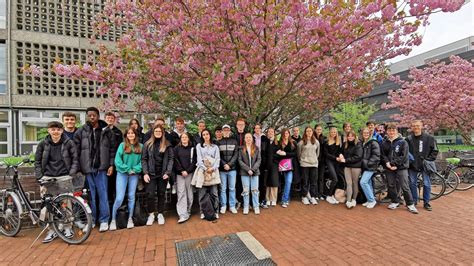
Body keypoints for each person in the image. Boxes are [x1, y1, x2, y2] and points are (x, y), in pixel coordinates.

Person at [35, 121, 79, 243]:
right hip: (47, 177)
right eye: (53, 129)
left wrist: (71, 174)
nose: (55, 132)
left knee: (66, 203)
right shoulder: (43, 144)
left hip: (64, 176)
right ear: (49, 130)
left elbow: (75, 159)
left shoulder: (69, 143)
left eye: (58, 129)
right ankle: (52, 230)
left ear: (61, 131)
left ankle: (67, 228)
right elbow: (37, 161)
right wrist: (39, 176)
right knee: (48, 205)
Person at [74, 107, 116, 232]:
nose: (92, 117)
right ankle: (92, 220)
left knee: (103, 195)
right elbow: (76, 151)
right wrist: (79, 167)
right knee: (91, 196)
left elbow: (112, 150)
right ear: (87, 116)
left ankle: (104, 220)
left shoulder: (107, 131)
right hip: (88, 169)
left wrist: (111, 165)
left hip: (102, 168)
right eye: (90, 115)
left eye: (94, 115)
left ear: (98, 116)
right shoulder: (81, 131)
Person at [109, 127, 143, 231]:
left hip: (134, 174)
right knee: (119, 198)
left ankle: (130, 219)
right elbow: (117, 161)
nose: (131, 135)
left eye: (132, 133)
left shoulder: (140, 146)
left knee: (132, 196)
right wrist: (128, 169)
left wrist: (135, 169)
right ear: (126, 135)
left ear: (136, 135)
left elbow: (143, 161)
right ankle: (113, 220)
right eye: (129, 133)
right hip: (122, 174)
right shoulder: (122, 145)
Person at [381, 123, 418, 214]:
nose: (391, 132)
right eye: (389, 130)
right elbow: (383, 155)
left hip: (401, 167)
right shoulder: (384, 142)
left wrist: (394, 164)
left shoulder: (403, 142)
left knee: (405, 186)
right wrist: (387, 163)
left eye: (393, 130)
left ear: (396, 131)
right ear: (387, 132)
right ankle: (395, 201)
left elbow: (404, 156)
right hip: (389, 168)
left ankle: (410, 204)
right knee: (391, 185)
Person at [141, 125, 174, 225]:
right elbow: (144, 159)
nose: (158, 133)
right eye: (156, 131)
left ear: (162, 133)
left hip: (162, 174)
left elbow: (171, 159)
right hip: (151, 174)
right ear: (153, 132)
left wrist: (168, 172)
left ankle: (160, 213)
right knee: (150, 194)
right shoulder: (147, 144)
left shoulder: (167, 144)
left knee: (161, 194)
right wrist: (145, 173)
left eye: (160, 131)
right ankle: (151, 214)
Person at [406, 120, 439, 211]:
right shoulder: (408, 139)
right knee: (412, 183)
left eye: (417, 125)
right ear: (412, 127)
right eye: (414, 126)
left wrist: (428, 160)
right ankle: (414, 200)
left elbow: (435, 151)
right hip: (413, 165)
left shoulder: (429, 138)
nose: (416, 127)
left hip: (425, 165)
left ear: (421, 126)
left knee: (426, 183)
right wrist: (410, 161)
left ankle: (426, 202)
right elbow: (406, 152)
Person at [194, 129, 221, 220]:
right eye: (204, 134)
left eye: (207, 134)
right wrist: (206, 169)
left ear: (210, 135)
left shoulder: (215, 147)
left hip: (213, 171)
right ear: (202, 136)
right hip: (202, 172)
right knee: (202, 194)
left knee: (214, 193)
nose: (206, 136)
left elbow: (217, 159)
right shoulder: (199, 146)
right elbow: (199, 159)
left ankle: (216, 211)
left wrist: (212, 168)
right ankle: (203, 211)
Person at [174, 132, 197, 223]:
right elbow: (175, 161)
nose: (184, 138)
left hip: (189, 174)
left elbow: (194, 161)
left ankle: (188, 211)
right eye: (182, 137)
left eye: (185, 137)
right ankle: (182, 214)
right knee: (181, 193)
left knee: (190, 193)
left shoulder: (192, 149)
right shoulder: (176, 149)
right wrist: (181, 171)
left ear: (188, 138)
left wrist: (188, 171)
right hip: (180, 175)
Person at [216, 124, 239, 214]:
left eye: (227, 130)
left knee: (232, 188)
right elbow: (218, 156)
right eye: (224, 130)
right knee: (223, 189)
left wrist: (229, 164)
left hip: (232, 169)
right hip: (222, 169)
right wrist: (224, 164)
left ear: (230, 131)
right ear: (222, 131)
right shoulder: (218, 142)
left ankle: (232, 206)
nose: (226, 131)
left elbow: (236, 154)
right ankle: (223, 205)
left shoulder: (234, 141)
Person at [238, 133, 262, 214]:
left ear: (252, 139)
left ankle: (256, 206)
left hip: (255, 173)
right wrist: (248, 169)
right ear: (244, 139)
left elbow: (259, 160)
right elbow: (240, 161)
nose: (248, 139)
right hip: (244, 173)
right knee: (245, 190)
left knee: (255, 190)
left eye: (249, 137)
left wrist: (253, 170)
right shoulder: (241, 149)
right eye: (246, 137)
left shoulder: (256, 148)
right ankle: (246, 206)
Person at [105, 112, 124, 209]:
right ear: (105, 119)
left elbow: (121, 148)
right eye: (108, 118)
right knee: (106, 187)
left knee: (114, 186)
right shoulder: (102, 130)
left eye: (112, 118)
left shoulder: (118, 132)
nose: (110, 120)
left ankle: (115, 207)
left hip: (115, 162)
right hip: (104, 162)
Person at [338, 130, 362, 209]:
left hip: (356, 167)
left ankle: (354, 199)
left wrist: (346, 160)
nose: (350, 137)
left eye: (352, 136)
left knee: (355, 183)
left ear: (355, 136)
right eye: (349, 136)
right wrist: (340, 155)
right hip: (347, 166)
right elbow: (340, 151)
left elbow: (358, 156)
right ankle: (348, 200)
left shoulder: (358, 144)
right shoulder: (345, 144)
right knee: (348, 183)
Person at [297, 126, 320, 205]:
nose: (309, 133)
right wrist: (303, 160)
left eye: (310, 131)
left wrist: (314, 160)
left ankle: (313, 197)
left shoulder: (316, 142)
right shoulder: (301, 142)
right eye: (307, 131)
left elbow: (317, 153)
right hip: (304, 164)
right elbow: (299, 154)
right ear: (305, 132)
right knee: (305, 181)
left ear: (312, 132)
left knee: (313, 181)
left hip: (314, 164)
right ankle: (304, 196)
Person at [275, 128, 297, 208]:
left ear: (289, 134)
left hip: (289, 165)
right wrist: (279, 153)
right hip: (281, 165)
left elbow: (295, 154)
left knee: (288, 181)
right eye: (284, 134)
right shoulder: (279, 143)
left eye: (287, 133)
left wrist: (285, 153)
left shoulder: (293, 142)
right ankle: (285, 199)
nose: (286, 135)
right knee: (283, 182)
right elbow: (276, 153)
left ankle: (284, 200)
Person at [360, 127, 380, 209]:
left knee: (363, 182)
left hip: (370, 166)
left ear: (370, 134)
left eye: (367, 133)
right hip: (365, 166)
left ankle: (372, 200)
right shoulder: (364, 143)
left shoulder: (373, 142)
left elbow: (376, 156)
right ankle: (369, 199)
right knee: (368, 183)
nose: (366, 134)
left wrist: (368, 164)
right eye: (364, 133)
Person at [324, 127, 342, 205]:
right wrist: (335, 158)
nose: (334, 134)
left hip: (336, 162)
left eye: (335, 132)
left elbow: (339, 152)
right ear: (330, 133)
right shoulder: (326, 142)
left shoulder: (337, 142)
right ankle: (328, 195)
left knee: (336, 179)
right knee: (334, 179)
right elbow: (326, 154)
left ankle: (332, 195)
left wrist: (340, 156)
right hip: (329, 161)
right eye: (332, 132)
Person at [253, 124, 269, 208]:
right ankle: (255, 200)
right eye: (256, 128)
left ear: (261, 129)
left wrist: (267, 164)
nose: (257, 129)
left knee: (263, 182)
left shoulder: (265, 138)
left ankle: (263, 200)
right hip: (253, 163)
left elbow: (267, 152)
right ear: (254, 129)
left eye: (259, 128)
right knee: (255, 183)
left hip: (263, 163)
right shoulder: (252, 138)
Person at [265, 128, 279, 206]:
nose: (270, 133)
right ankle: (267, 198)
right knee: (267, 181)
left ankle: (273, 199)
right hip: (267, 164)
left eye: (272, 132)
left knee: (274, 181)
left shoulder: (277, 143)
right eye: (269, 132)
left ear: (274, 133)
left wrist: (273, 157)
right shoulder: (265, 142)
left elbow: (279, 154)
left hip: (274, 164)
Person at [314, 124, 326, 200]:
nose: (319, 131)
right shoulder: (312, 138)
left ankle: (320, 193)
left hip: (322, 161)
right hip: (314, 161)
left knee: (321, 178)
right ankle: (315, 194)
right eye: (317, 129)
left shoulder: (324, 138)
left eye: (320, 130)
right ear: (315, 130)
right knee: (315, 178)